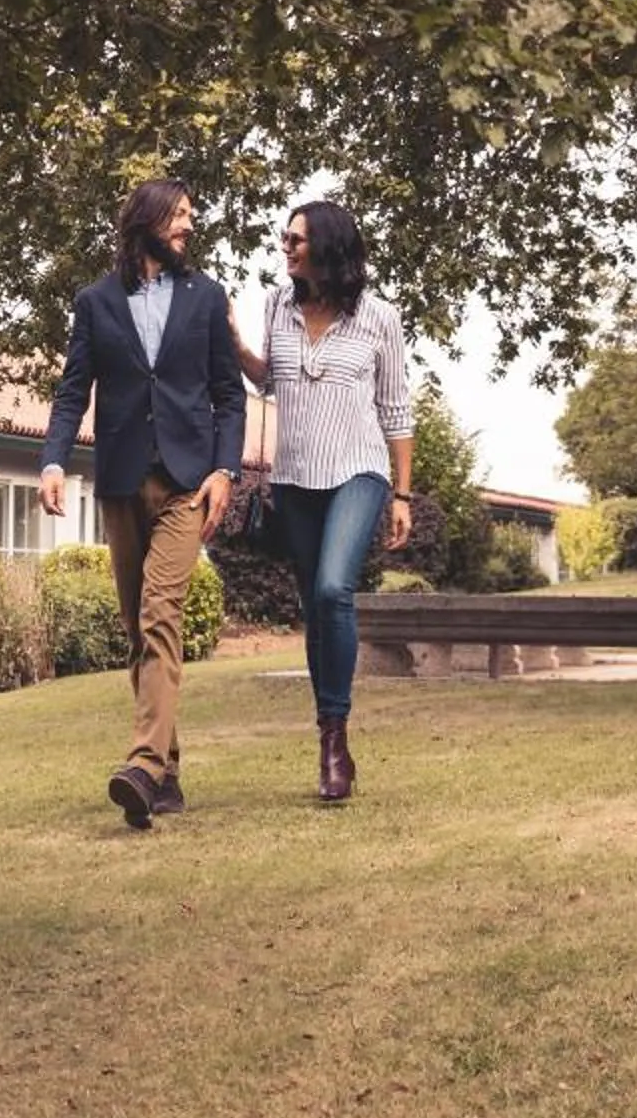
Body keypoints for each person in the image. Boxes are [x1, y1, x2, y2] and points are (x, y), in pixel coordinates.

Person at [40, 178, 247, 829]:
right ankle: (167, 776)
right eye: (180, 215)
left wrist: (224, 469)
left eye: (191, 213)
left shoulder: (207, 298)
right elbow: (74, 390)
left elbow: (229, 395)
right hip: (123, 479)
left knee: (161, 615)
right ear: (148, 222)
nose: (189, 225)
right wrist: (52, 457)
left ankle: (141, 764)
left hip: (188, 481)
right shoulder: (96, 302)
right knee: (138, 628)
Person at [233, 198, 413, 804]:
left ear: (329, 247)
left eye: (298, 239)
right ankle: (328, 733)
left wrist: (403, 493)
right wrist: (233, 345)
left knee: (336, 589)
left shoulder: (379, 318)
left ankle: (336, 737)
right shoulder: (276, 305)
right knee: (314, 606)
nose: (285, 246)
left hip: (358, 471)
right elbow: (270, 381)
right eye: (284, 237)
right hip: (295, 476)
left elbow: (397, 408)